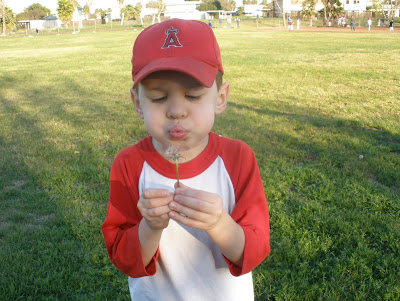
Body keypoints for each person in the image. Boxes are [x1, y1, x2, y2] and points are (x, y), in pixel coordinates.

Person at [101, 19, 271, 301]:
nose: (177, 111)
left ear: (221, 97)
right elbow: (123, 258)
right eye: (158, 98)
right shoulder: (129, 164)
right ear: (136, 102)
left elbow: (253, 252)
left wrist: (219, 223)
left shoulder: (238, 158)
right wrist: (150, 226)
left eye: (193, 95)